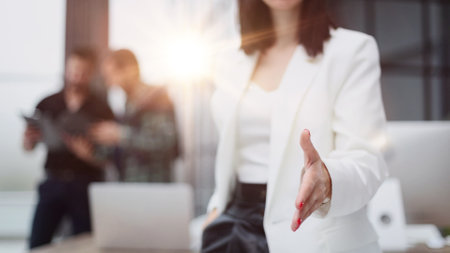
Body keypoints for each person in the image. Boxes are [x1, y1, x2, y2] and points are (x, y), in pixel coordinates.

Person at [201, 0, 389, 252]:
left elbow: (367, 159)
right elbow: (231, 156)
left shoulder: (352, 50)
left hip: (311, 232)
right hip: (232, 229)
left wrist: (328, 180)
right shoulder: (228, 61)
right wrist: (216, 208)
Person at [23, 47, 114, 249]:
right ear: (66, 70)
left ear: (90, 74)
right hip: (52, 181)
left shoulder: (102, 108)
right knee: (37, 243)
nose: (77, 76)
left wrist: (87, 155)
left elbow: (110, 158)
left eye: (83, 72)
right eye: (74, 70)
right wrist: (28, 140)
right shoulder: (47, 103)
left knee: (85, 244)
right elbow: (28, 148)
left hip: (85, 183)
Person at [91, 49, 179, 182]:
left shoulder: (157, 97)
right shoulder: (128, 103)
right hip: (131, 185)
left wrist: (119, 135)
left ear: (128, 70)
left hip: (153, 186)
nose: (108, 83)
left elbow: (164, 141)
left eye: (110, 75)